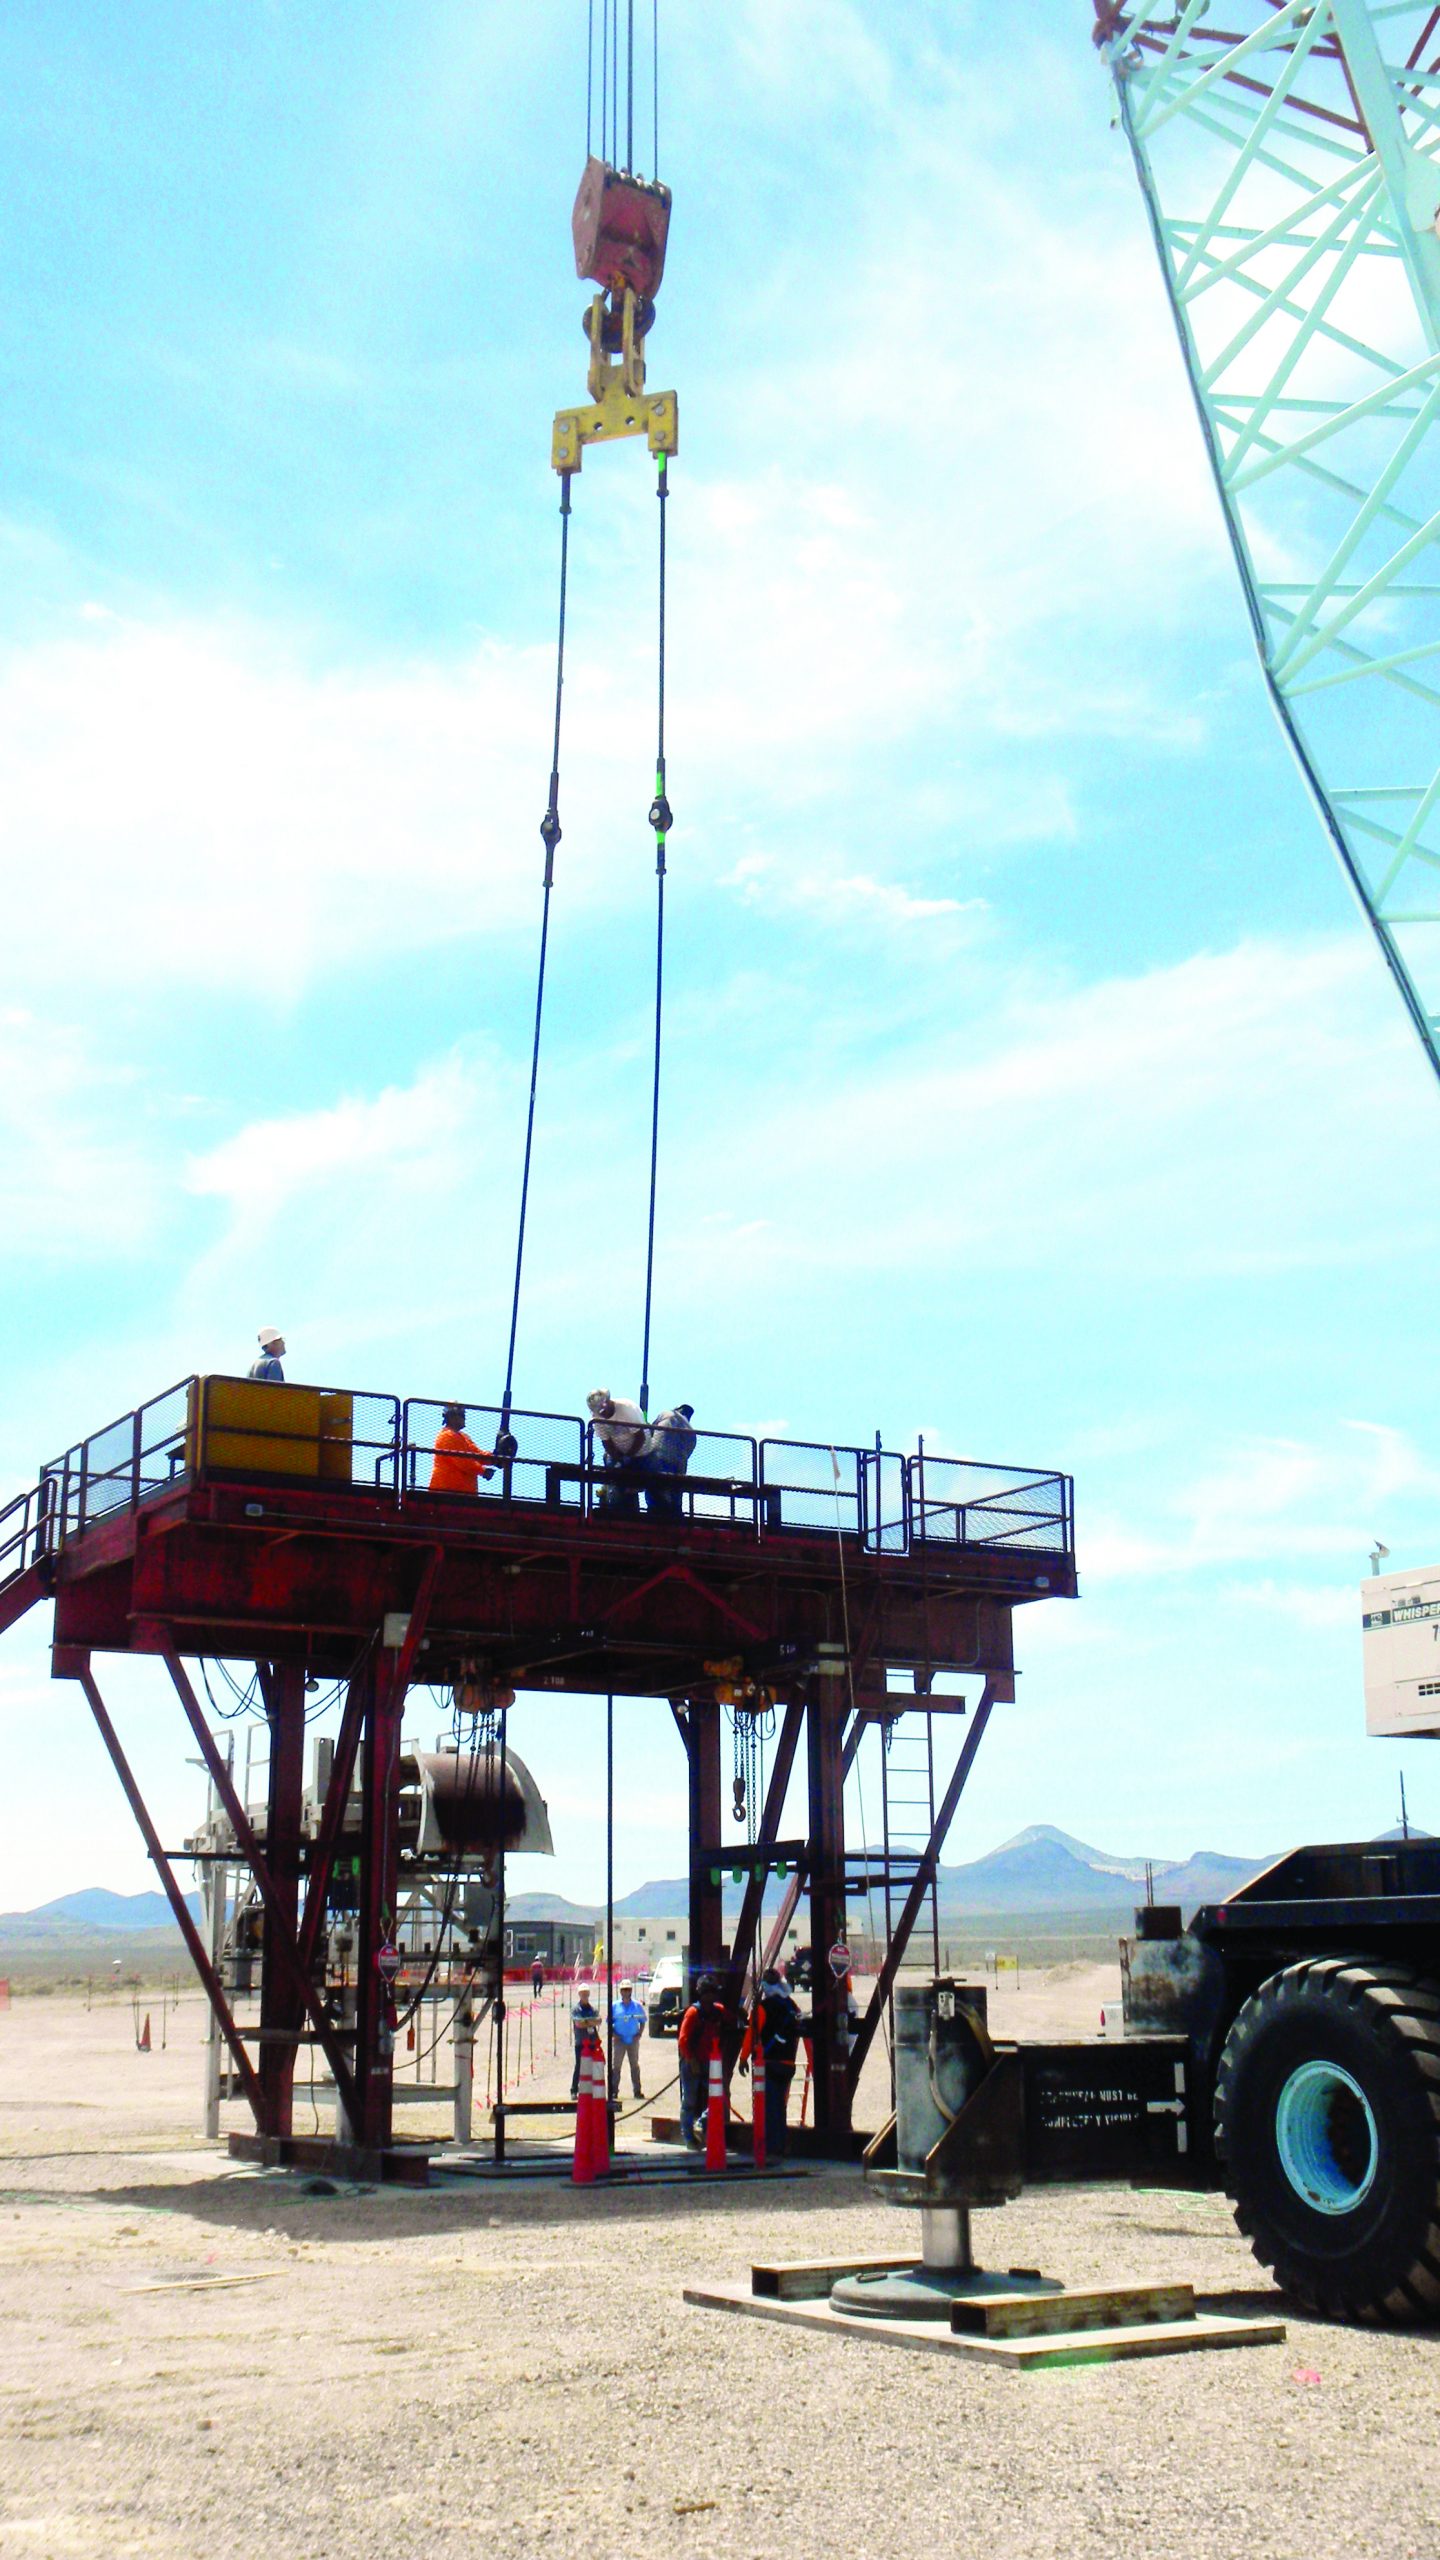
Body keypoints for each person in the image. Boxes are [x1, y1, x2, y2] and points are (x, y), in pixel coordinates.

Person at [738, 1965, 803, 2158]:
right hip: (788, 2064)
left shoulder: (763, 2008)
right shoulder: (792, 2005)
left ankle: (772, 2147)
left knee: (769, 2107)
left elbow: (752, 2033)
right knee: (780, 2106)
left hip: (770, 2063)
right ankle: (782, 2143)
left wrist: (743, 2058)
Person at [677, 1974, 727, 2148]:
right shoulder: (693, 2013)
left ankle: (701, 2124)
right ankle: (689, 2137)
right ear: (703, 1994)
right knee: (689, 2101)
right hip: (693, 2062)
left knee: (717, 2099)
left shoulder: (719, 2010)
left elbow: (732, 2019)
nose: (713, 1997)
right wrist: (691, 2061)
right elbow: (683, 2039)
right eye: (710, 1993)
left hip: (710, 2064)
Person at [586, 1389, 652, 1519]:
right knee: (614, 1477)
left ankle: (629, 1513)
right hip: (619, 1454)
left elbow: (640, 1437)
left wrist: (628, 1457)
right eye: (598, 1411)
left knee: (631, 1479)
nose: (602, 1413)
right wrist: (618, 1459)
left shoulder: (626, 1409)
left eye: (603, 1408)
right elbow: (607, 1442)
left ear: (609, 1401)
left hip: (640, 1453)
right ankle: (612, 1508)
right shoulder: (596, 1419)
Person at [644, 1402, 696, 1518]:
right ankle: (675, 1516)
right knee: (675, 1493)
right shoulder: (692, 1433)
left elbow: (649, 1432)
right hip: (678, 1467)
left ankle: (654, 1516)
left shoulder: (667, 1414)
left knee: (655, 1491)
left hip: (658, 1460)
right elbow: (688, 1452)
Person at [429, 1405, 494, 1496]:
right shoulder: (447, 1436)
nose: (464, 1417)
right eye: (461, 1415)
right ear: (451, 1417)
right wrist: (483, 1471)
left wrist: (494, 1458)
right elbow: (463, 1461)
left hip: (464, 1493)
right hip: (445, 1491)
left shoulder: (463, 1437)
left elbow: (477, 1454)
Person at [609, 1979, 646, 2102]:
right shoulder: (614, 2006)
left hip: (633, 2040)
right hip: (619, 2040)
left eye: (628, 1989)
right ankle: (614, 2091)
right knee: (616, 2066)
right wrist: (614, 2034)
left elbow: (643, 2021)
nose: (626, 1992)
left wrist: (639, 2034)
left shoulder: (637, 2006)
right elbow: (609, 2023)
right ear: (620, 1991)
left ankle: (637, 2091)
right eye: (624, 1989)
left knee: (634, 2065)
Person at [570, 1984, 601, 2097]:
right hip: (581, 2043)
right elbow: (578, 2023)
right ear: (579, 1994)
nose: (584, 1995)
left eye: (586, 1993)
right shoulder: (575, 2009)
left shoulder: (592, 2009)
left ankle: (592, 2089)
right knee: (579, 2066)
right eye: (582, 1993)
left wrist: (586, 2022)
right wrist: (590, 2022)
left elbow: (599, 2021)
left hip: (592, 2041)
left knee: (594, 2065)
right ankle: (574, 2090)